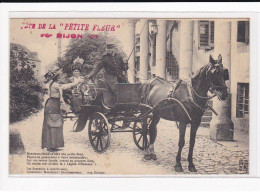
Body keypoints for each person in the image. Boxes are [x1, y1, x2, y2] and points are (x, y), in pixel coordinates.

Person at [74, 41, 128, 132]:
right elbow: (97, 68)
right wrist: (90, 75)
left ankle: (128, 110)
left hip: (120, 77)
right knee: (117, 89)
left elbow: (123, 68)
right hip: (109, 78)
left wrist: (125, 65)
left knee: (130, 89)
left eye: (112, 48)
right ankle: (117, 106)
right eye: (109, 48)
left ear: (115, 48)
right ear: (107, 49)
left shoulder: (119, 56)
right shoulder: (104, 58)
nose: (110, 50)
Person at [42, 66, 83, 151]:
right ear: (56, 77)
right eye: (59, 76)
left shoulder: (51, 84)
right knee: (54, 124)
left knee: (54, 123)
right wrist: (77, 82)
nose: (60, 76)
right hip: (53, 104)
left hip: (52, 104)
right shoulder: (55, 84)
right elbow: (65, 86)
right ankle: (52, 146)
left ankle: (52, 145)